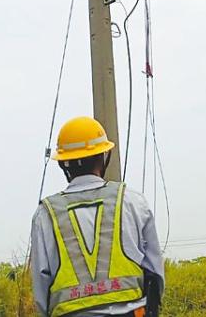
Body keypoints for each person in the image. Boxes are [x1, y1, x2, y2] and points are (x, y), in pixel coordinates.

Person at [31, 116, 164, 317]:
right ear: (104, 156)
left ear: (63, 164)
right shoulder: (132, 202)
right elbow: (155, 273)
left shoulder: (46, 214)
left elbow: (41, 287)